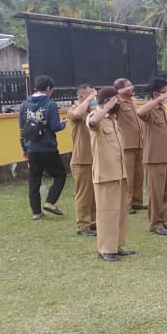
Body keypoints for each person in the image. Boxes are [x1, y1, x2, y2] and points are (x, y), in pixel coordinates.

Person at [86, 86, 134, 262]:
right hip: (105, 175)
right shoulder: (95, 116)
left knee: (120, 212)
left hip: (119, 173)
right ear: (107, 101)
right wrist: (106, 107)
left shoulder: (113, 120)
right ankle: (106, 249)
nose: (119, 103)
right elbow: (92, 123)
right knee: (107, 213)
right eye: (116, 100)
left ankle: (116, 245)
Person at [19, 75, 68, 220]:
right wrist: (63, 123)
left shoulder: (24, 105)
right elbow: (54, 126)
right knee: (60, 175)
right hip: (48, 148)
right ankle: (50, 202)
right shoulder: (50, 104)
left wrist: (24, 147)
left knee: (34, 180)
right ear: (48, 88)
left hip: (32, 148)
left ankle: (36, 213)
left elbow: (22, 129)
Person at [137, 78, 167, 235]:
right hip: (154, 158)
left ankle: (164, 220)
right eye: (164, 92)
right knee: (156, 192)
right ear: (156, 94)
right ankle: (155, 223)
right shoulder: (150, 110)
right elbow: (140, 112)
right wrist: (157, 100)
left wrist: (160, 101)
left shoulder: (162, 110)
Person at [113, 78, 147, 214]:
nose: (132, 88)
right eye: (128, 86)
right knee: (128, 177)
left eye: (131, 85)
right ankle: (126, 204)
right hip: (126, 145)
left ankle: (137, 202)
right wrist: (120, 92)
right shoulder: (117, 102)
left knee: (139, 175)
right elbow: (110, 98)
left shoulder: (132, 101)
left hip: (139, 143)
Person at [69, 84, 98, 236]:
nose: (94, 99)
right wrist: (89, 99)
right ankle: (82, 225)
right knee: (84, 194)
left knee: (94, 194)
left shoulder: (91, 112)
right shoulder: (74, 109)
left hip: (94, 158)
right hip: (81, 160)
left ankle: (92, 222)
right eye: (90, 96)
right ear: (81, 97)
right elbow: (77, 113)